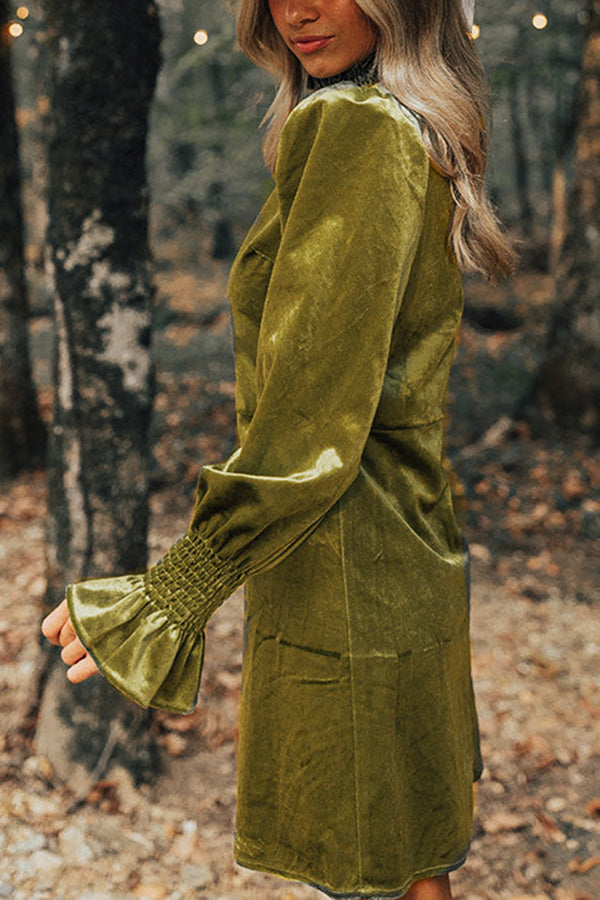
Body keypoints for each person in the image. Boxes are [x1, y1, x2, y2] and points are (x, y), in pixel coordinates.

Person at [42, 0, 515, 897]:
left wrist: (176, 590)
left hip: (343, 562)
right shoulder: (403, 123)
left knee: (374, 867)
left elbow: (311, 416)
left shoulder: (355, 127)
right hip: (403, 555)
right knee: (411, 866)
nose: (295, 9)